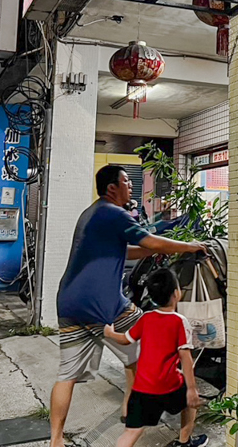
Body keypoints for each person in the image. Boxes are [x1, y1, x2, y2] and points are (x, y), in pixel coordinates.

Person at [50, 165, 206, 447]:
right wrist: (189, 246)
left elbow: (132, 249)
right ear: (112, 188)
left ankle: (56, 440)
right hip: (105, 304)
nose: (131, 186)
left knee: (68, 373)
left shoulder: (93, 213)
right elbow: (150, 241)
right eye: (126, 182)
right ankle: (136, 411)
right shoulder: (114, 213)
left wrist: (155, 247)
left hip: (70, 302)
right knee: (151, 333)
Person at [104, 269, 207, 447]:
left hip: (142, 387)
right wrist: (191, 389)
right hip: (169, 385)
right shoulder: (179, 321)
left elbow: (125, 339)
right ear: (176, 293)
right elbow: (186, 358)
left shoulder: (146, 317)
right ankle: (184, 442)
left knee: (132, 431)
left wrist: (109, 332)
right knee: (190, 404)